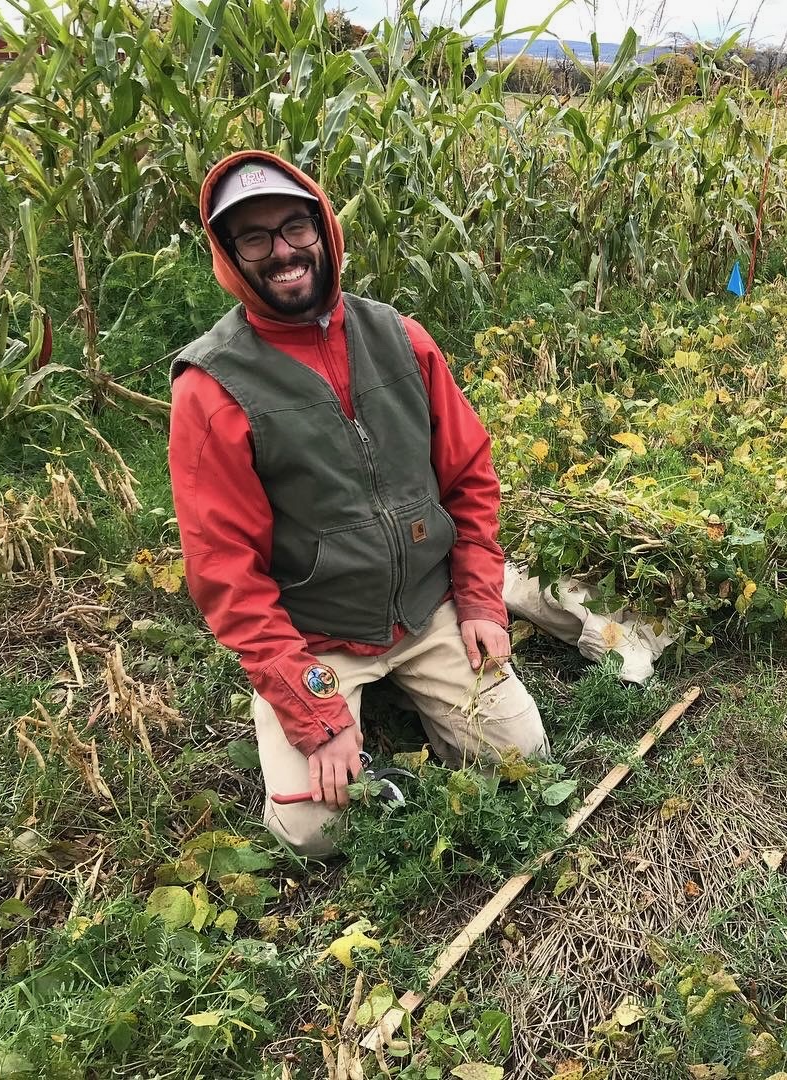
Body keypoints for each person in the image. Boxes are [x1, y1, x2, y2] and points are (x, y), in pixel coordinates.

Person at [168, 150, 547, 857]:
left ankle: (415, 682)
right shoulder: (212, 388)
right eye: (254, 237)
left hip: (427, 606)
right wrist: (316, 713)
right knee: (314, 832)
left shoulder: (401, 339)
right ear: (229, 255)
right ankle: (351, 711)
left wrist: (480, 602)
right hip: (319, 632)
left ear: (323, 228)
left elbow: (468, 476)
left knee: (523, 757)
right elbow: (226, 572)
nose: (282, 252)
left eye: (293, 227)